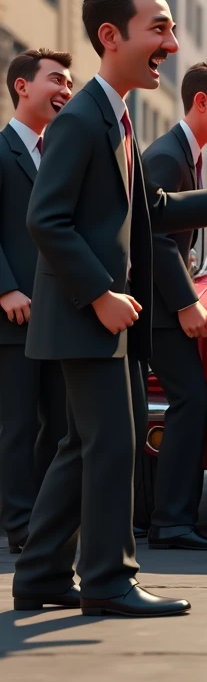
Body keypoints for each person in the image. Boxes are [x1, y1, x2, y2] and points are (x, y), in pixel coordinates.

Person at [12, 0, 207, 618]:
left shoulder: (116, 114)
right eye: (159, 28)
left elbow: (149, 207)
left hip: (110, 318)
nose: (172, 41)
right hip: (90, 314)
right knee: (110, 445)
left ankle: (42, 575)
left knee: (86, 445)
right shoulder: (83, 118)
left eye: (172, 28)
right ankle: (107, 581)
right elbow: (45, 219)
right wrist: (101, 293)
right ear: (112, 36)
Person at [141, 60, 207, 551]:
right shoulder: (167, 156)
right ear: (201, 102)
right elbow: (156, 238)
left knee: (182, 402)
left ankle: (155, 518)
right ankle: (172, 523)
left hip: (162, 304)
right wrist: (185, 303)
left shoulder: (187, 154)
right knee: (188, 402)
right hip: (159, 309)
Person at [0, 49, 73, 554]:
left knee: (63, 424)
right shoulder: (2, 151)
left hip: (59, 316)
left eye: (70, 82)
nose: (66, 89)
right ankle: (20, 526)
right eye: (56, 80)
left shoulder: (57, 153)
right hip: (13, 316)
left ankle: (50, 520)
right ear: (22, 86)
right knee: (18, 427)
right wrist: (5, 288)